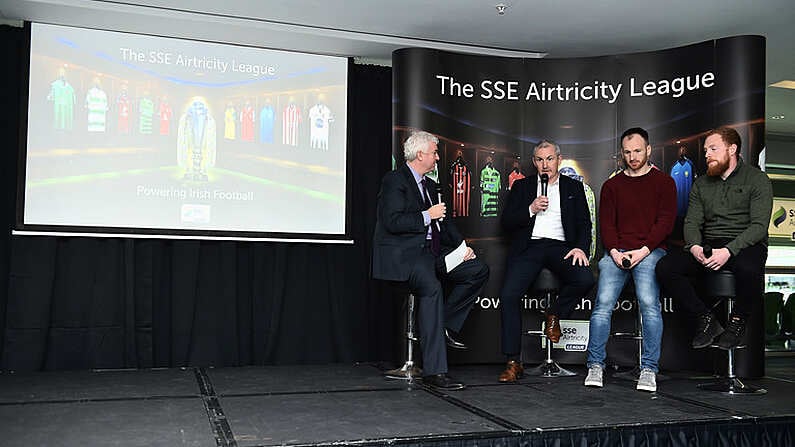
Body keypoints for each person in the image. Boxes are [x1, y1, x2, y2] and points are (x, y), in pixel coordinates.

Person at [372, 131, 489, 391]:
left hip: (433, 254)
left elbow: (444, 223)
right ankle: (435, 372)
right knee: (431, 287)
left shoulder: (431, 185)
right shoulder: (395, 180)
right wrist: (427, 215)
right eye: (435, 152)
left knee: (477, 270)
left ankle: (443, 325)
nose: (438, 157)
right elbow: (393, 222)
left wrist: (462, 247)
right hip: (405, 257)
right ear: (420, 154)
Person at [656, 126, 772, 350]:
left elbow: (759, 226)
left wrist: (729, 251)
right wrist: (694, 247)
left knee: (750, 267)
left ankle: (737, 322)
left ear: (732, 149)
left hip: (745, 243)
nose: (706, 153)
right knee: (665, 267)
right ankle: (704, 317)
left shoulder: (758, 179)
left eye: (713, 148)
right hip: (710, 243)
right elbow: (692, 222)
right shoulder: (701, 184)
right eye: (706, 149)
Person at [584, 128, 676, 392]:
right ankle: (595, 365)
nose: (633, 156)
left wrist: (643, 251)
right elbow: (606, 225)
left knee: (649, 303)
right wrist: (614, 252)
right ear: (621, 154)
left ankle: (648, 369)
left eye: (638, 150)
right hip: (616, 252)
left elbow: (665, 223)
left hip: (650, 251)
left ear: (648, 150)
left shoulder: (664, 182)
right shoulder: (612, 185)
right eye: (627, 152)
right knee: (602, 305)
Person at [497, 139, 594, 382]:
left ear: (558, 160)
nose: (545, 164)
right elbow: (506, 223)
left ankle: (555, 314)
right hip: (530, 247)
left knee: (584, 278)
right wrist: (530, 209)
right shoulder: (522, 187)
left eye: (550, 159)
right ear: (534, 162)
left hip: (561, 247)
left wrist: (581, 248)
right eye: (540, 160)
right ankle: (512, 362)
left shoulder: (573, 187)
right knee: (509, 295)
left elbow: (584, 223)